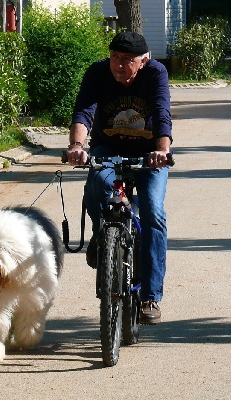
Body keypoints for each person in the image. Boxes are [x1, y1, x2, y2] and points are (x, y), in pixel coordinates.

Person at [66, 31, 173, 325]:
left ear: (144, 60)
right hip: (108, 147)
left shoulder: (156, 73)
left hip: (150, 153)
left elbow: (162, 113)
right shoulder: (98, 73)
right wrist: (77, 146)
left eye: (127, 60)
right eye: (115, 57)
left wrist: (162, 151)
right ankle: (102, 236)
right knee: (97, 187)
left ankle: (150, 295)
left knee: (152, 209)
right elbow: (84, 112)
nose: (119, 65)